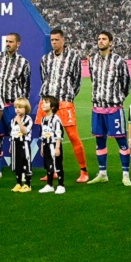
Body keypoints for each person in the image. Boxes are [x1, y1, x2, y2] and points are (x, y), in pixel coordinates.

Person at [37, 29, 90, 179]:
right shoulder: (46, 58)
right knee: (48, 137)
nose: (54, 42)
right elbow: (44, 78)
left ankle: (84, 171)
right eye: (52, 40)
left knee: (73, 136)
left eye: (56, 40)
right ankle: (52, 171)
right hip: (47, 103)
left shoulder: (73, 57)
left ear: (63, 40)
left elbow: (77, 81)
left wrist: (68, 96)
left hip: (64, 102)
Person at [86, 31, 131, 185]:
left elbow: (126, 83)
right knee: (100, 140)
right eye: (99, 39)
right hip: (97, 108)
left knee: (121, 140)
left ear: (111, 42)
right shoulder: (93, 60)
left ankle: (125, 174)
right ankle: (102, 173)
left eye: (104, 39)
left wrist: (117, 99)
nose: (100, 41)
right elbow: (93, 80)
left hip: (114, 109)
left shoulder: (119, 61)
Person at [0, 33, 32, 178]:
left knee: (18, 138)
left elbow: (26, 86)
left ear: (18, 44)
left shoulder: (23, 62)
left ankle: (22, 170)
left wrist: (22, 106)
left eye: (11, 42)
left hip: (13, 107)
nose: (8, 44)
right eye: (7, 41)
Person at [36, 95, 66, 194]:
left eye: (46, 102)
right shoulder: (43, 119)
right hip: (46, 145)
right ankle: (49, 185)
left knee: (57, 165)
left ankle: (61, 185)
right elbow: (42, 134)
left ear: (52, 107)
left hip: (54, 145)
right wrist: (42, 146)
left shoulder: (56, 119)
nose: (43, 104)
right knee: (48, 165)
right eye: (43, 102)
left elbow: (59, 134)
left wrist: (57, 148)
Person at [7, 96, 35, 193]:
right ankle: (18, 183)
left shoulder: (28, 119)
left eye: (20, 107)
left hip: (24, 143)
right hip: (15, 143)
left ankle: (27, 184)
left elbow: (24, 131)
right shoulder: (12, 120)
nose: (17, 109)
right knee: (17, 164)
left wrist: (19, 122)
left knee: (26, 163)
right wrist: (11, 145)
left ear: (26, 108)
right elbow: (12, 133)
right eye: (16, 107)